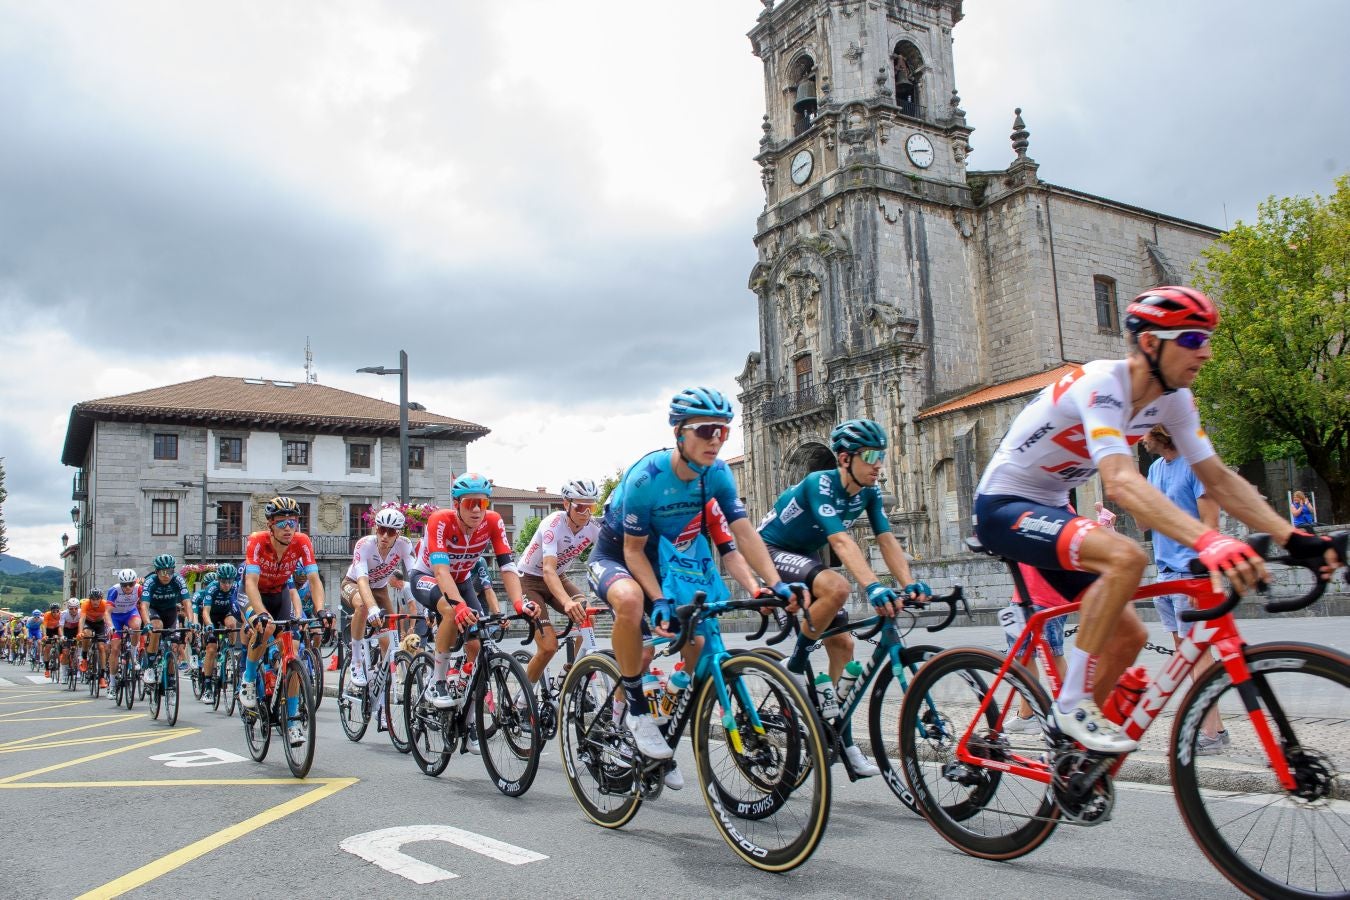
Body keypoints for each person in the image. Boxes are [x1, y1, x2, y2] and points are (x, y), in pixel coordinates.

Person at [972, 286, 1340, 753]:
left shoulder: (1175, 401)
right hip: (1004, 505)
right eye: (1190, 339)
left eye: (1206, 339)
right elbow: (1122, 483)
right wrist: (1210, 543)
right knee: (1125, 556)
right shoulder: (1102, 385)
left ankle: (1070, 754)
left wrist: (1293, 539)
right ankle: (1070, 705)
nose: (1204, 352)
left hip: (1052, 507)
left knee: (1129, 635)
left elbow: (1220, 480)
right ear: (1150, 344)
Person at [587, 386, 797, 763]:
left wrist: (771, 584)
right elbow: (633, 551)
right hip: (618, 555)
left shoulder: (716, 474)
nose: (715, 440)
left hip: (660, 563)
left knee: (697, 643)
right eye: (705, 430)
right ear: (679, 433)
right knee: (633, 603)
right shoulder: (646, 477)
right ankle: (635, 709)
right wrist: (661, 601)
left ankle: (667, 728)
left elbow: (742, 533)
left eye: (723, 431)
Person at [757, 417, 929, 777]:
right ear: (844, 459)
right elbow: (839, 542)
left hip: (806, 555)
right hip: (771, 551)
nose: (878, 462)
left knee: (845, 648)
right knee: (837, 587)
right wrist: (873, 586)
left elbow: (885, 539)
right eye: (869, 455)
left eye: (881, 454)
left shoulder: (869, 492)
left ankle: (839, 736)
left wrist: (908, 582)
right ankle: (796, 663)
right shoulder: (819, 483)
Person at [1141, 423, 1227, 751]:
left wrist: (1211, 573)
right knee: (1187, 657)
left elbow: (1211, 523)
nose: (1140, 438)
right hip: (1166, 574)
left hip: (1192, 575)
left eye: (1145, 431)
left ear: (1161, 431)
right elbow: (1144, 523)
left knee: (1200, 654)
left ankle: (1210, 732)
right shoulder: (1154, 470)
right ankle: (1212, 729)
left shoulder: (1194, 466)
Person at [406, 473, 520, 712]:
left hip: (462, 580)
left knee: (476, 646)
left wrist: (520, 604)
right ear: (457, 504)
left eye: (483, 503)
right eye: (470, 503)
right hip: (428, 577)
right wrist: (458, 606)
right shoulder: (440, 520)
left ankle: (469, 722)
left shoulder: (493, 521)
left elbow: (507, 566)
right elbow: (440, 571)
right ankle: (437, 681)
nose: (477, 510)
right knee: (450, 612)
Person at [240, 497, 325, 749]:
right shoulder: (257, 541)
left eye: (294, 522)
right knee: (264, 628)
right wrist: (260, 614)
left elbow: (314, 578)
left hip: (279, 594)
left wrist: (320, 610)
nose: (289, 528)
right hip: (253, 594)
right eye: (283, 523)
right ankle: (248, 679)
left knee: (293, 651)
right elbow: (251, 583)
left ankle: (292, 721)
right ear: (270, 524)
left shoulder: (302, 542)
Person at [516, 480, 601, 691]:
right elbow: (548, 570)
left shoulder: (593, 527)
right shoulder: (553, 524)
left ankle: (570, 676)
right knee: (548, 647)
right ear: (566, 504)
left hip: (559, 577)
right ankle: (523, 702)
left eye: (591, 507)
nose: (586, 512)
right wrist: (566, 602)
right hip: (530, 579)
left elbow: (611, 555)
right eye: (580, 506)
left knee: (587, 615)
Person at [342, 506, 415, 689]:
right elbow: (363, 581)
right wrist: (373, 608)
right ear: (376, 529)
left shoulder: (404, 544)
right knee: (363, 607)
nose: (385, 536)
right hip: (354, 584)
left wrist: (429, 604)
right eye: (382, 530)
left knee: (389, 641)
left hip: (380, 589)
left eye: (391, 532)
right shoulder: (364, 545)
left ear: (398, 533)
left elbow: (415, 576)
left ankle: (381, 690)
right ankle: (357, 661)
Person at [1002, 564, 1067, 732]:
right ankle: (1027, 714)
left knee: (1053, 656)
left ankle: (1066, 716)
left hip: (1048, 597)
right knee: (1021, 657)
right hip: (1020, 596)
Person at [140, 554, 194, 682]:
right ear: (157, 572)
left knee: (174, 645)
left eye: (170, 572)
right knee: (156, 627)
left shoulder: (178, 580)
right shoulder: (151, 581)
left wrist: (190, 622)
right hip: (154, 610)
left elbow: (187, 603)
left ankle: (170, 677)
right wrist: (147, 623)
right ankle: (150, 667)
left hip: (170, 611)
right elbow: (144, 606)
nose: (167, 575)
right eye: (163, 572)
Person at [197, 563, 243, 704]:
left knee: (232, 623)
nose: (227, 585)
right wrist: (209, 625)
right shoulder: (212, 588)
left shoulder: (236, 587)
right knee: (211, 649)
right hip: (213, 616)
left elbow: (242, 607)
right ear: (219, 580)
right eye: (224, 581)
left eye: (230, 581)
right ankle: (208, 686)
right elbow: (205, 611)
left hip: (227, 613)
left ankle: (230, 648)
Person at [107, 568, 145, 685]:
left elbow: (145, 606)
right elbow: (107, 612)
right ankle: (112, 684)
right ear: (120, 584)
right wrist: (110, 626)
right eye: (124, 585)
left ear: (135, 583)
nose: (128, 587)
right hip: (116, 616)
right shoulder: (114, 590)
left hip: (130, 613)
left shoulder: (139, 589)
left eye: (131, 584)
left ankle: (133, 654)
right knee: (115, 649)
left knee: (137, 626)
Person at [79, 589, 113, 688]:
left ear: (101, 599)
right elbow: (82, 619)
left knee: (102, 647)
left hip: (100, 624)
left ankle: (102, 677)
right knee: (86, 634)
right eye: (93, 599)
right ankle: (84, 658)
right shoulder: (85, 604)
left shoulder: (105, 604)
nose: (95, 601)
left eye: (97, 599)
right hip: (88, 623)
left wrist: (111, 628)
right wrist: (80, 632)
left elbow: (108, 617)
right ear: (90, 599)